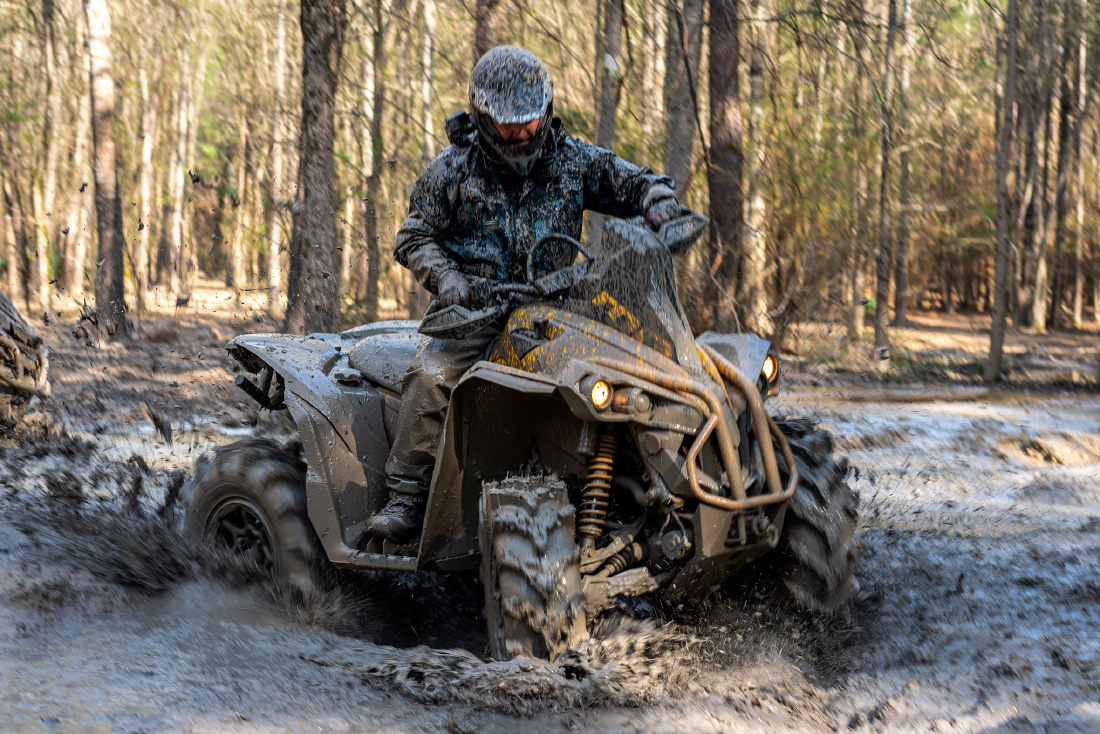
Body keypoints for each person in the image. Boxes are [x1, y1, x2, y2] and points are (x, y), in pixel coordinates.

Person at [365, 45, 682, 542]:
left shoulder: (573, 160)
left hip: (557, 307)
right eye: (511, 124)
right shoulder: (454, 170)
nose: (523, 133)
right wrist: (449, 280)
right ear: (484, 117)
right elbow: (413, 236)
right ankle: (406, 495)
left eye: (531, 121)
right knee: (429, 375)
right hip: (477, 314)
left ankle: (643, 484)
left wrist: (658, 199)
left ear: (546, 109)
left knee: (632, 371)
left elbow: (634, 183)